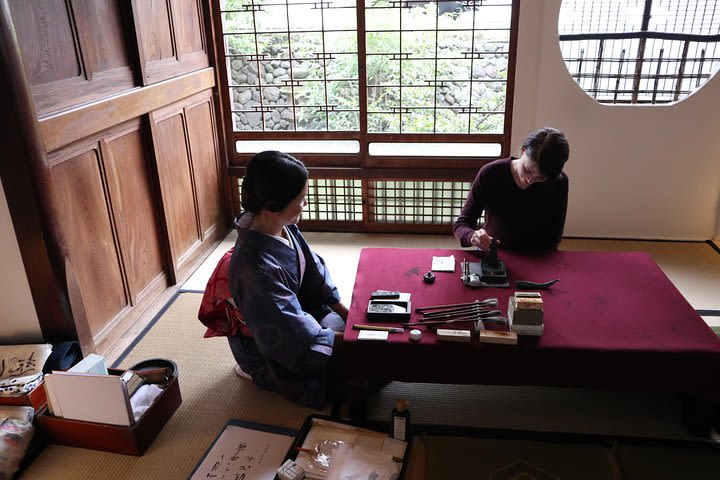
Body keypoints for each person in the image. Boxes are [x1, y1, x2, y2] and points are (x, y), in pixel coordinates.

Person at [227, 151, 348, 408]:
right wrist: (354, 342)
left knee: (375, 357)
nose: (305, 205)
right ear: (272, 204)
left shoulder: (282, 226)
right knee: (354, 380)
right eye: (301, 200)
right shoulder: (254, 266)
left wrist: (347, 315)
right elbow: (289, 332)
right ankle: (253, 370)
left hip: (302, 316)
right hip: (274, 347)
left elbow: (315, 274)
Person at [454, 127, 570, 251]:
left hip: (538, 255)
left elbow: (555, 234)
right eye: (528, 170)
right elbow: (462, 224)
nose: (530, 180)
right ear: (523, 150)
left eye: (540, 178)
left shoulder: (558, 181)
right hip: (493, 252)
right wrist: (472, 236)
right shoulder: (491, 173)